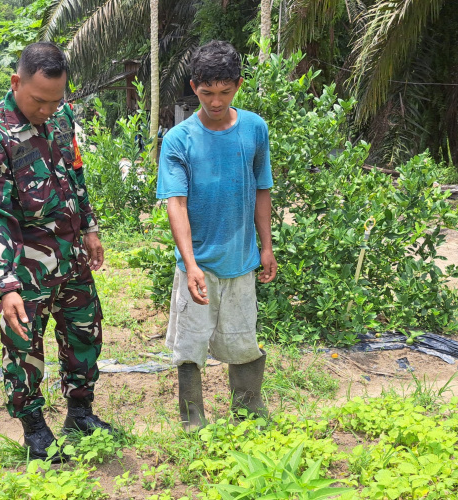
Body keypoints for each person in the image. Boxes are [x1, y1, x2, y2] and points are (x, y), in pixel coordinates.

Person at [0, 42, 111, 462]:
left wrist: (90, 227)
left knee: (84, 332)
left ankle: (80, 413)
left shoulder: (62, 117)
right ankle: (34, 429)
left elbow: (76, 174)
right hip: (27, 266)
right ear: (16, 82)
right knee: (24, 347)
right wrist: (7, 285)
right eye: (39, 100)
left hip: (72, 257)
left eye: (56, 99)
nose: (48, 109)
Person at [156, 40, 278, 432]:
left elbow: (262, 190)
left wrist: (267, 247)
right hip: (198, 264)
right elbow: (176, 204)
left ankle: (248, 408)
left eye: (225, 92)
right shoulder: (179, 140)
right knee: (190, 344)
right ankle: (192, 418)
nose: (216, 101)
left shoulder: (255, 129)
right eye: (207, 92)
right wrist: (190, 263)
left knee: (243, 338)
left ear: (238, 85)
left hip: (240, 261)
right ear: (194, 87)